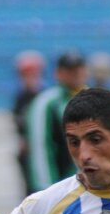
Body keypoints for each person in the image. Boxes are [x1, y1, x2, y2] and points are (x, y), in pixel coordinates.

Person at [24, 49, 88, 192]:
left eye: (79, 68)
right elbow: (40, 145)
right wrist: (46, 189)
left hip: (89, 186)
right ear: (58, 73)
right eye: (70, 70)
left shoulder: (94, 98)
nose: (75, 73)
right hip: (61, 185)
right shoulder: (46, 102)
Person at [11, 50, 46, 196]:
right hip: (28, 152)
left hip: (43, 149)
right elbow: (18, 122)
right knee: (29, 190)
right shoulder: (20, 97)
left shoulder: (45, 96)